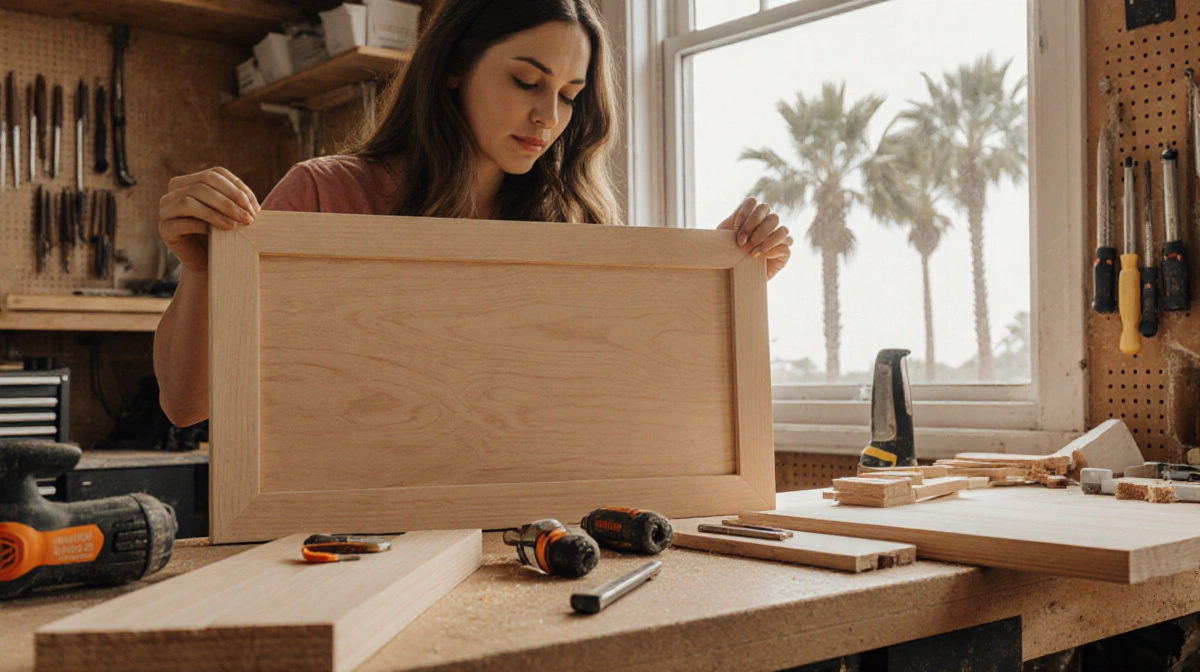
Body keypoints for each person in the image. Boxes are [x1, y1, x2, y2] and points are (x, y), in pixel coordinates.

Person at [154, 0, 794, 427]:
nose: (550, 117)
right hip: (340, 536)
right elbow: (188, 405)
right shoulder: (322, 196)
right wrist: (207, 271)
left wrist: (721, 289)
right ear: (456, 65)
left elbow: (632, 404)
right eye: (526, 81)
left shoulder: (574, 228)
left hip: (523, 539)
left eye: (569, 96)